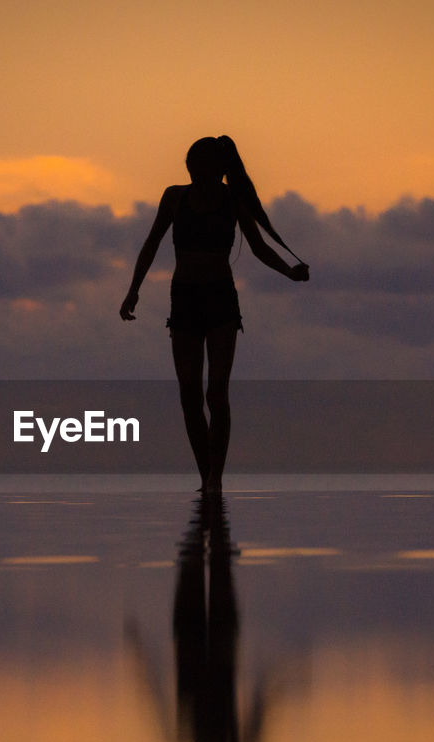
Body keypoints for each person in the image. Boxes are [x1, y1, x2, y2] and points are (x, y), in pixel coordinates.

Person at [119, 136, 309, 493]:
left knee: (216, 392)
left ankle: (215, 479)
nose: (195, 173)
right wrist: (134, 289)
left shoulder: (232, 200)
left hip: (221, 300)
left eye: (201, 167)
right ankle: (207, 476)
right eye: (191, 166)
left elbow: (258, 247)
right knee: (189, 394)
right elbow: (151, 244)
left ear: (217, 170)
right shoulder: (174, 197)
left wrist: (289, 271)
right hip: (185, 300)